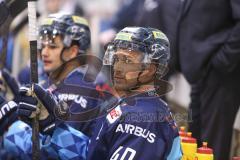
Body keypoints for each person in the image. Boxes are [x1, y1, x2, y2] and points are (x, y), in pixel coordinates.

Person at [3, 14, 108, 159]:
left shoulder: (83, 89)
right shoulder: (49, 83)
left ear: (73, 52)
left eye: (52, 46)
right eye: (43, 46)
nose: (44, 52)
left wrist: (11, 125)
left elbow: (55, 151)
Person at [87, 27, 182, 160]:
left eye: (127, 61)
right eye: (116, 59)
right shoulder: (140, 106)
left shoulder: (141, 117)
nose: (117, 68)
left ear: (149, 69)